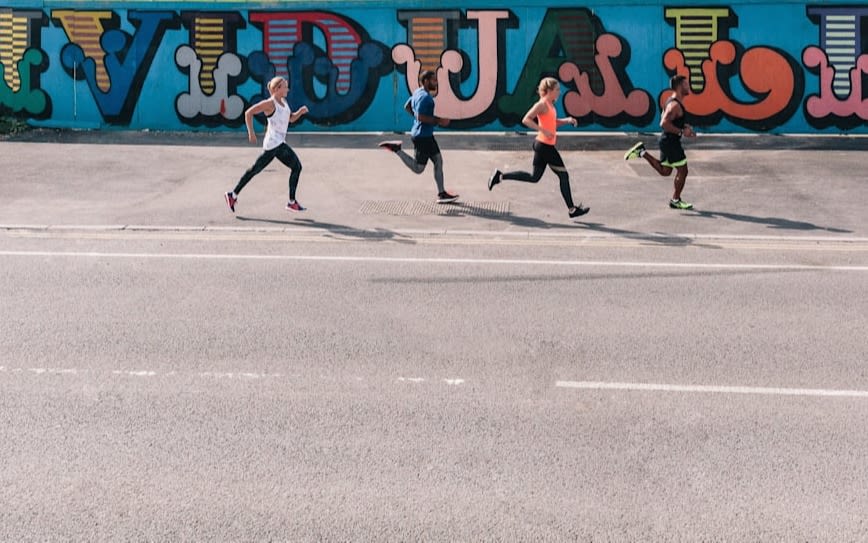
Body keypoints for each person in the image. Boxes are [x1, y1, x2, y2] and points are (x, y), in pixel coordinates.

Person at [487, 77, 589, 219]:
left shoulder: (550, 105)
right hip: (545, 146)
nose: (559, 92)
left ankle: (500, 176)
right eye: (557, 90)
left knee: (534, 177)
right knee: (563, 175)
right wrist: (542, 130)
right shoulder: (542, 104)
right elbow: (526, 119)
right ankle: (572, 209)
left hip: (542, 145)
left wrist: (567, 120)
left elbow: (552, 122)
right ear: (550, 90)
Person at [224, 76, 309, 213]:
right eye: (285, 86)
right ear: (277, 89)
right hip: (274, 144)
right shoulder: (270, 104)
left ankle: (232, 195)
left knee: (255, 170)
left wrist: (300, 112)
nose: (288, 88)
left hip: (277, 144)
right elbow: (248, 113)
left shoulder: (284, 102)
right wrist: (251, 132)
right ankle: (291, 202)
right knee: (296, 167)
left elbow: (291, 119)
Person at [378, 70, 459, 204]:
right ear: (426, 81)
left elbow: (407, 107)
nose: (436, 82)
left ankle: (442, 193)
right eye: (433, 80)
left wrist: (418, 120)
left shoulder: (418, 92)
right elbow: (421, 117)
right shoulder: (426, 98)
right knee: (418, 168)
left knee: (438, 160)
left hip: (426, 135)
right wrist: (439, 121)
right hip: (422, 137)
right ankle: (397, 149)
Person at [623, 74, 696, 210]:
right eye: (686, 84)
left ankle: (642, 152)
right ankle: (675, 200)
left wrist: (684, 127)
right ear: (680, 87)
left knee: (665, 171)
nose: (688, 86)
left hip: (667, 141)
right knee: (683, 170)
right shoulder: (674, 105)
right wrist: (681, 132)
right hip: (670, 142)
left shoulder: (673, 101)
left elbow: (672, 121)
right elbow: (663, 123)